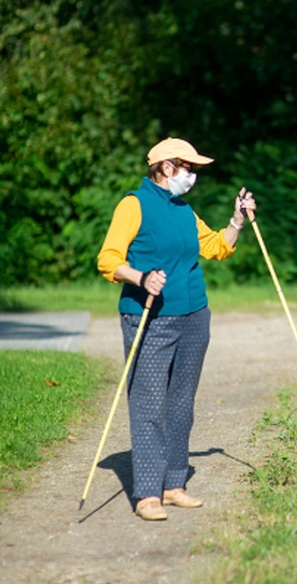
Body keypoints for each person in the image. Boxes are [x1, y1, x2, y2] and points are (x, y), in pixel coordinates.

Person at [97, 137, 256, 521]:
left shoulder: (185, 210)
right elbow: (108, 259)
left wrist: (237, 220)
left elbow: (217, 247)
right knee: (149, 403)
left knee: (181, 404)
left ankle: (173, 485)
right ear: (167, 168)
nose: (193, 175)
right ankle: (148, 494)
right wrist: (141, 277)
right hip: (148, 316)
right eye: (190, 168)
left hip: (194, 316)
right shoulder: (133, 205)